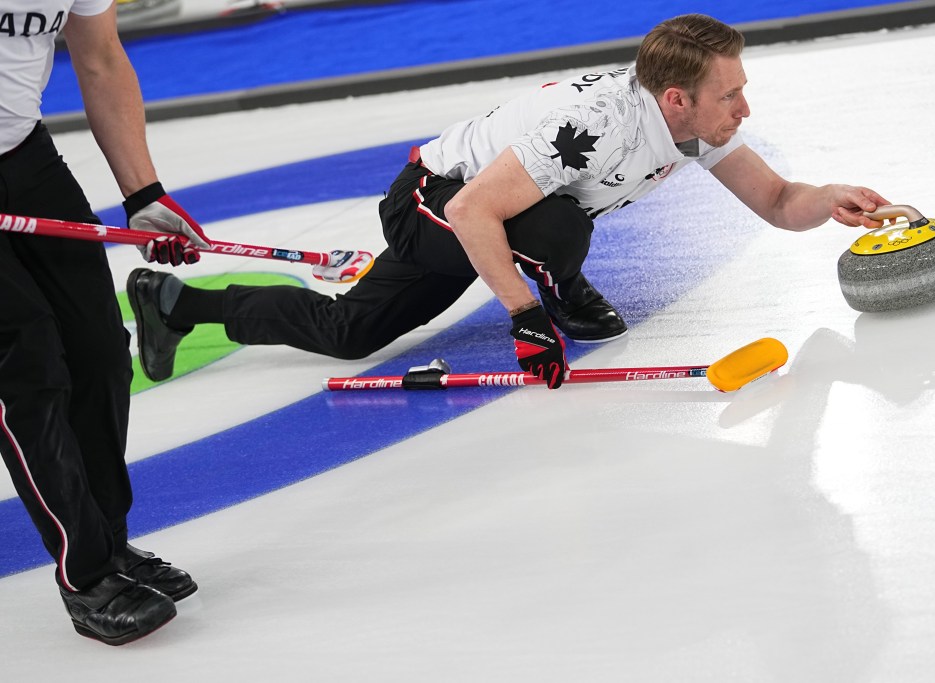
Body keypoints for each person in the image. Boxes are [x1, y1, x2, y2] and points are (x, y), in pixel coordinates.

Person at [127, 13, 889, 392]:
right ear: (677, 98)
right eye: (731, 95)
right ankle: (558, 286)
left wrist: (831, 198)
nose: (744, 110)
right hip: (432, 201)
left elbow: (776, 199)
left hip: (485, 212)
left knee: (350, 332)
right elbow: (469, 212)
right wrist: (525, 318)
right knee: (556, 226)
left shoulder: (693, 125)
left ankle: (174, 303)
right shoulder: (596, 128)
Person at [0, 0, 210, 645]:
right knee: (25, 363)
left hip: (23, 156)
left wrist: (143, 194)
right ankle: (87, 574)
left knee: (97, 346)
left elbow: (100, 58)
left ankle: (109, 542)